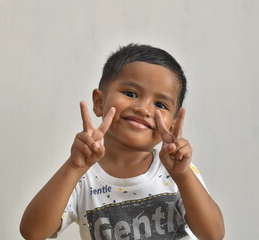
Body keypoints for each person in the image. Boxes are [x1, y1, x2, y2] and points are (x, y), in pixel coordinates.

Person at [20, 44, 225, 240]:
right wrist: (74, 167)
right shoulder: (82, 176)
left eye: (160, 104)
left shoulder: (179, 172)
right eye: (130, 94)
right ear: (99, 102)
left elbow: (213, 235)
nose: (144, 109)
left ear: (172, 125)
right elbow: (32, 232)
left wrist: (183, 175)